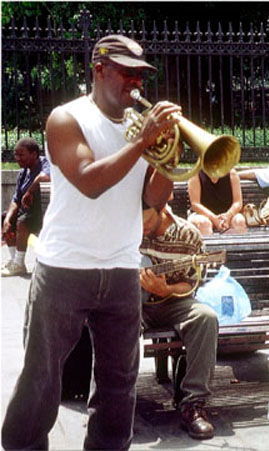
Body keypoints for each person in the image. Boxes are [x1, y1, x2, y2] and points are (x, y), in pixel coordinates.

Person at [1, 34, 178, 450]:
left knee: (119, 384)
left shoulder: (138, 127)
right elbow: (89, 181)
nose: (135, 83)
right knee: (42, 377)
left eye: (140, 75)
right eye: (126, 73)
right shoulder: (67, 118)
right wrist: (143, 142)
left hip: (120, 267)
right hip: (65, 267)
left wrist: (169, 156)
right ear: (99, 69)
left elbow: (154, 198)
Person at [140, 202, 218, 440]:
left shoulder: (188, 235)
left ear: (161, 208)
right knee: (115, 322)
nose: (139, 227)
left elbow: (192, 283)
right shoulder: (125, 228)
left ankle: (193, 405)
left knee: (205, 318)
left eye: (145, 221)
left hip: (172, 302)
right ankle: (115, 404)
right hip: (132, 302)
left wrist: (165, 289)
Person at [2, 137, 51, 276]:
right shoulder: (23, 173)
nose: (17, 158)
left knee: (22, 221)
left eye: (21, 154)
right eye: (16, 155)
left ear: (34, 154)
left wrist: (30, 191)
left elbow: (45, 177)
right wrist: (7, 220)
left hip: (43, 212)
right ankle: (15, 262)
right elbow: (15, 199)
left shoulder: (44, 164)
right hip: (29, 213)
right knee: (5, 217)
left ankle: (18, 262)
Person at [187, 168, 247, 235]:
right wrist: (214, 218)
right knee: (204, 223)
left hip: (227, 214)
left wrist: (228, 216)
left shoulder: (232, 174)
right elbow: (195, 204)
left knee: (239, 221)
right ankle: (208, 245)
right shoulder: (195, 174)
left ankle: (238, 245)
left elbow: (238, 202)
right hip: (201, 214)